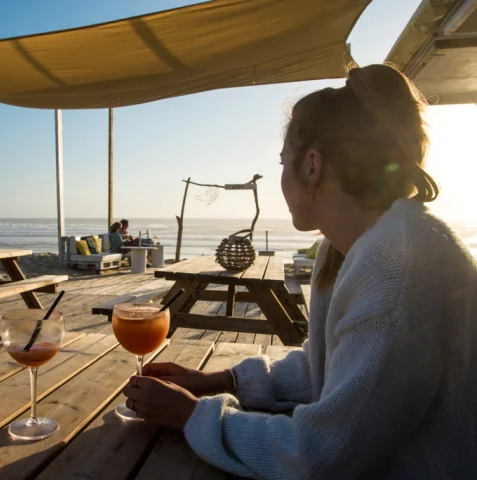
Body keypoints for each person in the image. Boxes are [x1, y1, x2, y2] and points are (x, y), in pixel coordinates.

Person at [122, 64, 477, 478]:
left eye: (282, 161)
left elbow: (323, 456)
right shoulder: (351, 246)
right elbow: (325, 367)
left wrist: (193, 415)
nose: (281, 176)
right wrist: (217, 381)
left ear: (312, 166)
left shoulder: (397, 268)